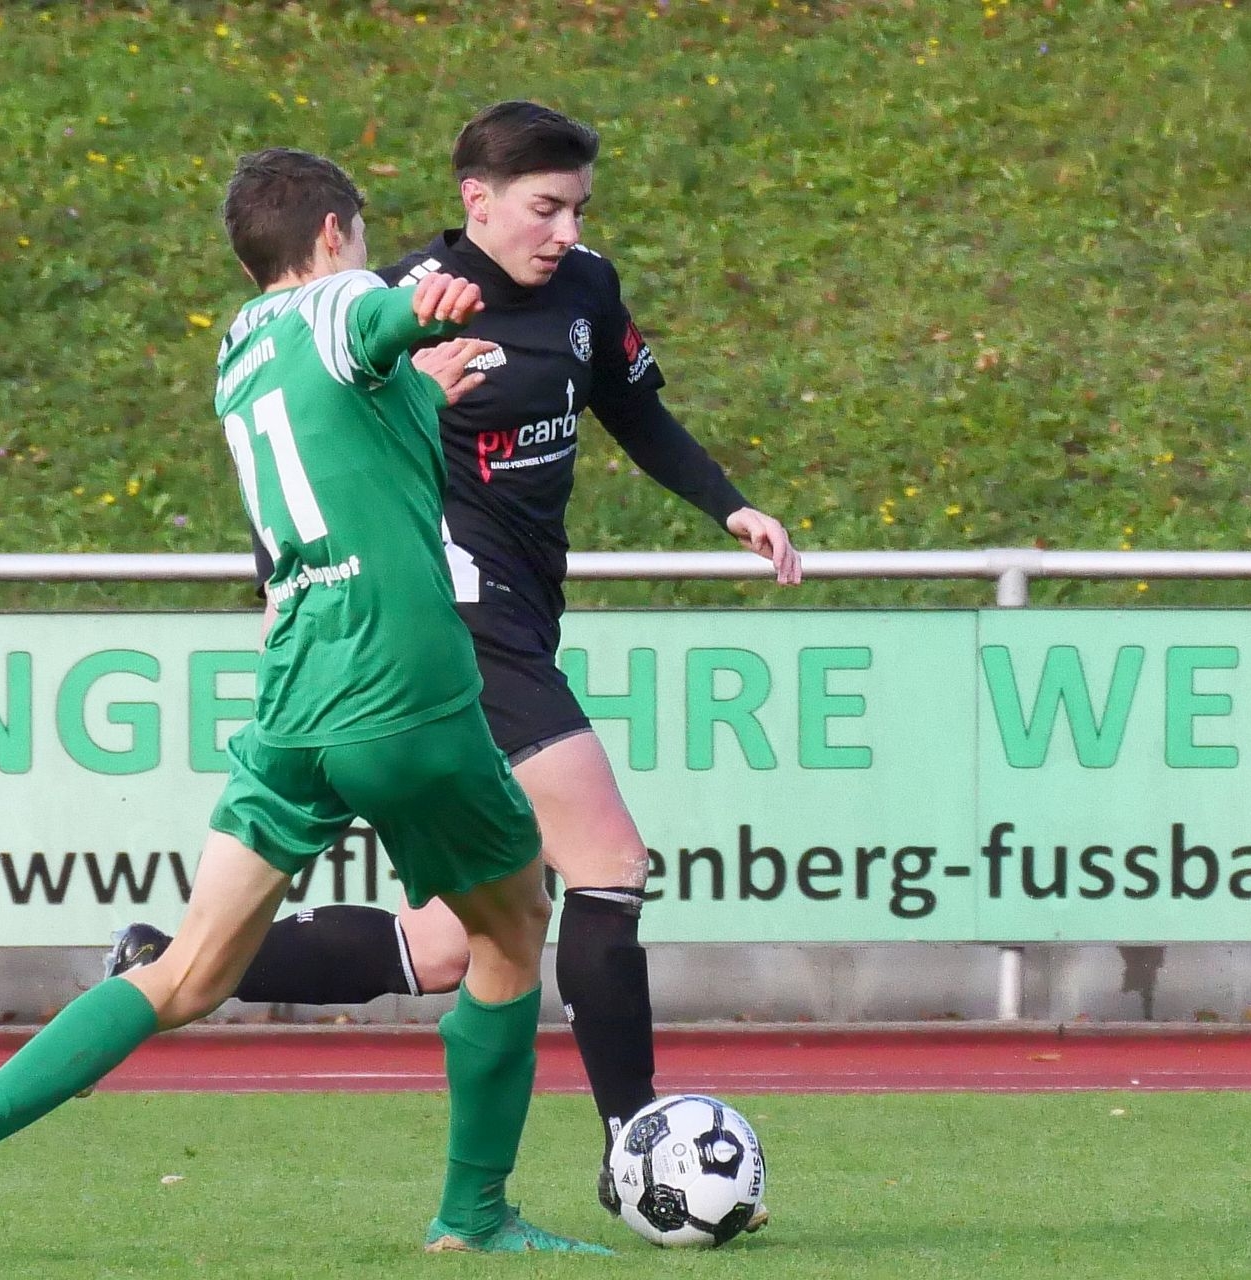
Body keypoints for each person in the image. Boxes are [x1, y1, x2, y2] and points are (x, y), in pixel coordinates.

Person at [0, 147, 613, 1262]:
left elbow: (345, 440)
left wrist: (421, 389)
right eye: (363, 234)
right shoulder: (345, 302)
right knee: (516, 924)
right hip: (400, 680)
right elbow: (371, 318)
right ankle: (473, 1216)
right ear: (332, 233)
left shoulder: (243, 348)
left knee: (186, 969)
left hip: (294, 689)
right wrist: (421, 308)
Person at [106, 102, 802, 1221]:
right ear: (477, 199)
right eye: (545, 207)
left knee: (444, 943)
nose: (568, 230)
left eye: (578, 207)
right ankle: (635, 1144)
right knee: (609, 862)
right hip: (459, 622)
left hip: (523, 615)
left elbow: (635, 411)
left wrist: (731, 506)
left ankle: (162, 961)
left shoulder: (587, 288)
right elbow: (308, 446)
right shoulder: (396, 300)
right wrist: (284, 579)